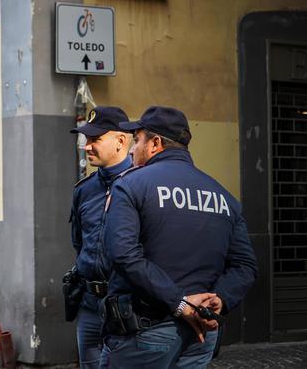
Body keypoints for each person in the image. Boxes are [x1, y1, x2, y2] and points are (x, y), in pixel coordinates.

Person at [100, 106, 258, 368]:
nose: (131, 149)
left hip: (148, 330)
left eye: (137, 140)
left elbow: (123, 254)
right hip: (202, 332)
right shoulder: (223, 196)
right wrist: (219, 299)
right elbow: (245, 266)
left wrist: (180, 303)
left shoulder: (130, 185)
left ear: (155, 143)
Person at [67, 106, 133, 369]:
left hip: (127, 307)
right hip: (89, 305)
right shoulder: (84, 190)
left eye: (95, 139)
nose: (87, 146)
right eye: (86, 139)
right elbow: (79, 243)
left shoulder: (141, 184)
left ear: (120, 141)